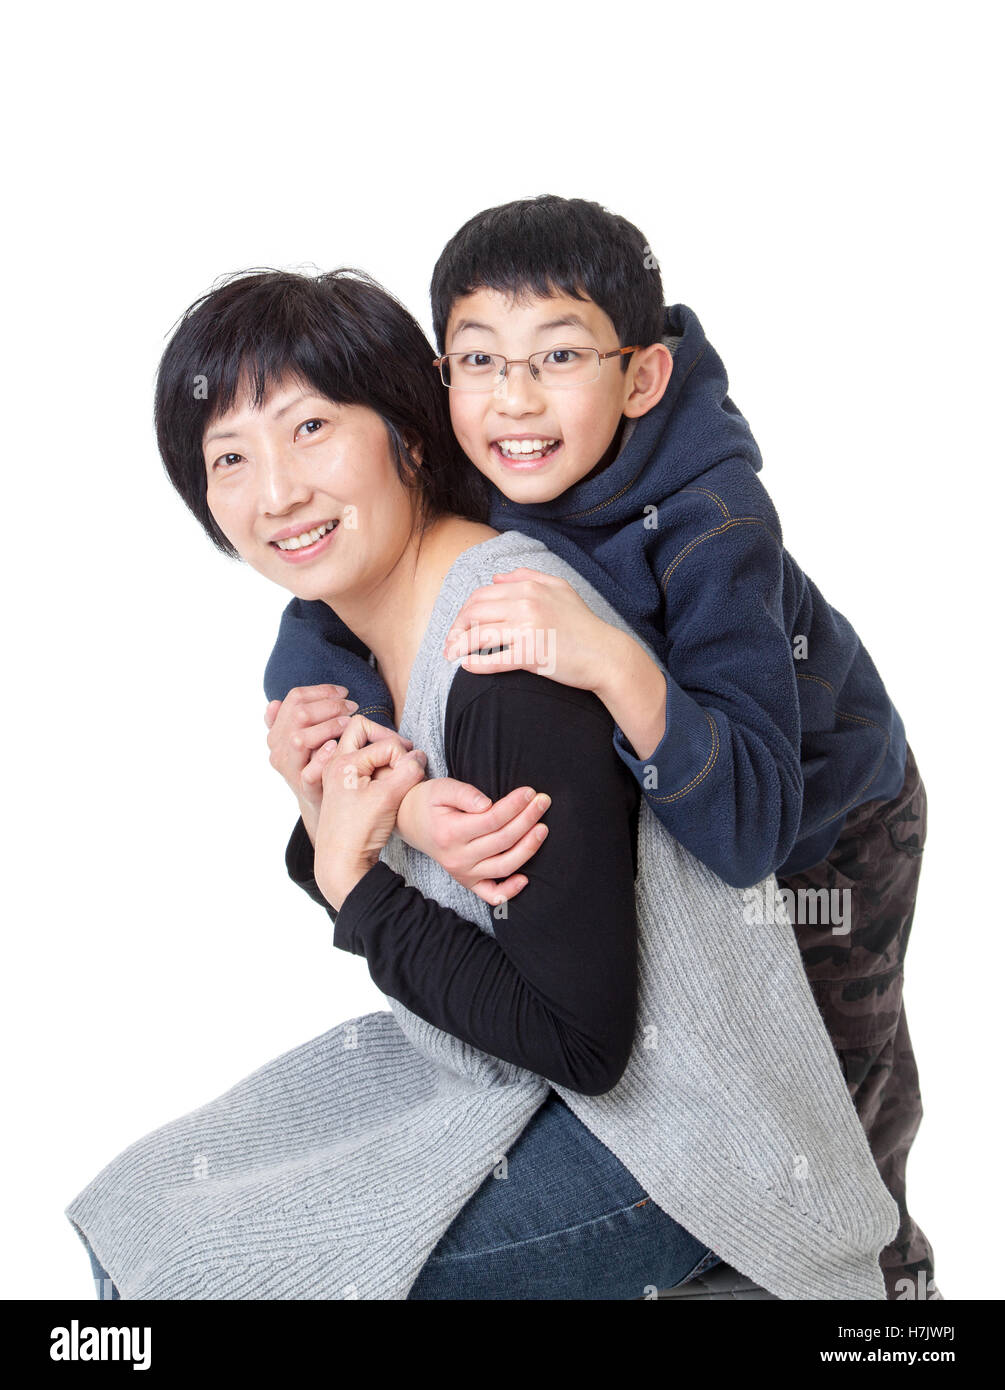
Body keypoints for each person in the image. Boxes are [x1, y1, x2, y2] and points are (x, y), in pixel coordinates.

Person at [66, 268, 899, 1301]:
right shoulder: (343, 640)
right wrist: (337, 810)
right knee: (139, 1213)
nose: (275, 491)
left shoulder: (508, 655)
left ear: (409, 434)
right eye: (227, 455)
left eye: (311, 428)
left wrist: (355, 885)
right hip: (502, 1077)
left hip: (671, 1150)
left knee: (205, 1276)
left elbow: (585, 1042)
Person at [265, 199, 938, 1300]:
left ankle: (889, 1294)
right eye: (478, 359)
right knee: (659, 1089)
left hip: (822, 826)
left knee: (822, 1129)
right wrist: (388, 778)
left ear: (642, 380)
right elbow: (325, 615)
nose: (514, 400)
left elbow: (749, 828)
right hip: (655, 826)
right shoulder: (465, 465)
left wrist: (619, 664)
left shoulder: (714, 525)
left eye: (560, 356)